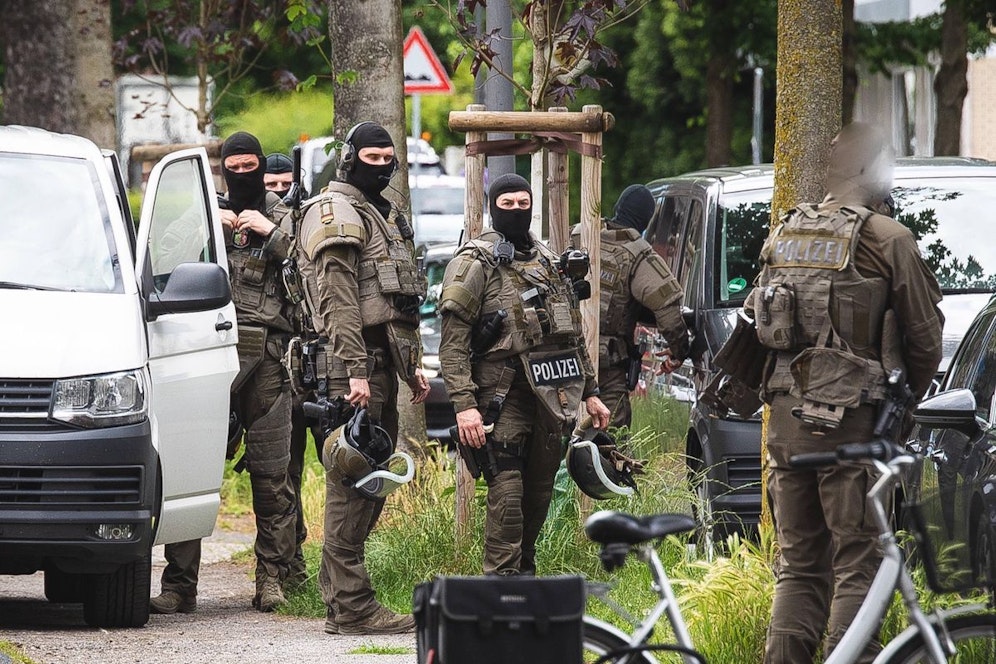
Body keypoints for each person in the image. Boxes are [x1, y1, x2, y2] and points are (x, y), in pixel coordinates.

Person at [751, 122, 944, 664]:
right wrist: (903, 408)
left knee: (799, 568)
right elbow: (925, 340)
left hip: (785, 423)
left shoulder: (786, 231)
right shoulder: (889, 238)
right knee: (859, 562)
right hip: (852, 425)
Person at [151, 131, 299, 615]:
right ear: (221, 169)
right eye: (232, 168)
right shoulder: (205, 211)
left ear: (261, 165)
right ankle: (179, 586)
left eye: (248, 167)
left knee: (272, 475)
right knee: (193, 469)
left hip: (267, 360)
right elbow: (161, 258)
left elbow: (314, 270)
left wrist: (271, 233)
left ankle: (272, 580)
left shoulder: (285, 214)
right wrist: (204, 225)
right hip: (205, 354)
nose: (241, 175)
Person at [294, 120, 430, 635]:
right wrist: (355, 371)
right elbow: (339, 299)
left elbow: (393, 303)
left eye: (388, 159)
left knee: (370, 484)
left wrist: (409, 366)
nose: (382, 167)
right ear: (349, 159)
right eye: (372, 158)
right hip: (352, 370)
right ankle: (353, 607)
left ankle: (341, 602)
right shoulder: (337, 212)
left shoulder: (380, 215)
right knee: (352, 485)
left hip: (378, 367)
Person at [438, 173, 611, 576]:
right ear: (492, 207)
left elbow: (571, 335)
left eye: (523, 203)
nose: (516, 210)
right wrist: (464, 406)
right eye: (507, 204)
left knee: (538, 495)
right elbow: (452, 344)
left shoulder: (549, 261)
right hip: (502, 398)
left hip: (550, 399)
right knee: (508, 497)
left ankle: (525, 586)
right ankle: (500, 589)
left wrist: (591, 391)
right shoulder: (474, 263)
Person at [571, 184, 690, 431]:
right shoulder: (638, 253)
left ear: (618, 208)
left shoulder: (579, 234)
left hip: (566, 356)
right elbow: (668, 310)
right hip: (606, 365)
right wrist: (679, 351)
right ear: (646, 220)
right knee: (611, 434)